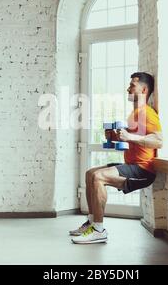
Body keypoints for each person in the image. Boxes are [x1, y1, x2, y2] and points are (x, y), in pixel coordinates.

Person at [70, 72, 163, 244]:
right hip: (132, 164)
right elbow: (132, 139)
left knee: (99, 177)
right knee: (90, 173)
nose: (128, 88)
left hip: (143, 170)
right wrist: (114, 137)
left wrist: (130, 137)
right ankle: (91, 223)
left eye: (132, 85)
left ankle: (99, 230)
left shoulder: (147, 113)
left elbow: (158, 140)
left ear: (143, 89)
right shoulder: (134, 113)